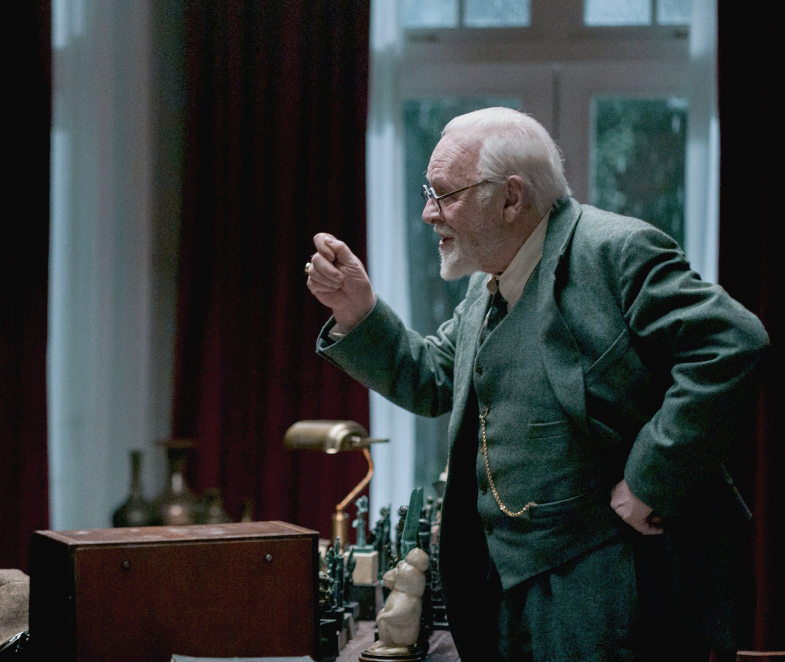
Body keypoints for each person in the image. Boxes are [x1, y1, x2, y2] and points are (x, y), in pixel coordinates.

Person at [305, 107, 768, 661]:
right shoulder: (486, 285)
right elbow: (432, 379)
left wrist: (651, 479)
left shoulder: (617, 250)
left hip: (612, 594)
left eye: (445, 194)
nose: (428, 213)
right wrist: (358, 311)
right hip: (500, 597)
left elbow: (732, 342)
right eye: (429, 192)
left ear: (511, 198)